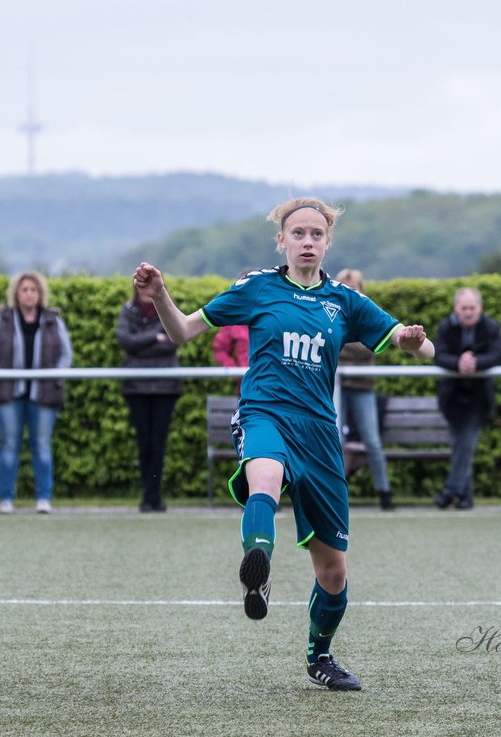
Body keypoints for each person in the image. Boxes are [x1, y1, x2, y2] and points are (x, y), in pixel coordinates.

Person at [132, 197, 435, 692]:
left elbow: (425, 346)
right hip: (264, 412)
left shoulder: (344, 301)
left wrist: (410, 342)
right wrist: (160, 294)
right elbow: (183, 331)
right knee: (265, 481)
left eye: (317, 234)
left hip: (319, 434)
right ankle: (258, 566)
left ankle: (320, 657)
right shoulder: (257, 288)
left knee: (333, 571)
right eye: (299, 234)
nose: (308, 242)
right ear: (282, 241)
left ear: (328, 242)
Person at [0, 271, 73, 514]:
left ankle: (44, 497)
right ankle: (6, 498)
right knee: (9, 445)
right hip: (9, 394)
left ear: (40, 293)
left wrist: (56, 378)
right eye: (24, 289)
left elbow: (66, 355)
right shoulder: (3, 319)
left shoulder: (52, 319)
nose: (29, 294)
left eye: (33, 289)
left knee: (41, 445)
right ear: (16, 294)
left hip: (43, 394)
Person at [432, 288, 501, 510]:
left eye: (472, 308)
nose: (468, 312)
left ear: (479, 308)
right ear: (457, 309)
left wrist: (475, 362)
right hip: (452, 398)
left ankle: (449, 492)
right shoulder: (445, 327)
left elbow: (496, 354)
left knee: (465, 446)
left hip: (479, 398)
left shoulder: (491, 327)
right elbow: (439, 354)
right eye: (464, 308)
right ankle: (465, 497)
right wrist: (458, 363)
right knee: (460, 447)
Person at [117, 285, 182, 512]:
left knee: (158, 443)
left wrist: (141, 344)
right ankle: (147, 495)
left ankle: (155, 496)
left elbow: (173, 341)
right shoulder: (128, 311)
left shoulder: (167, 310)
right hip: (137, 388)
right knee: (144, 443)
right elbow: (125, 341)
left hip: (165, 388)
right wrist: (155, 337)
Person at [335, 269, 394, 511]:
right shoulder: (330, 314)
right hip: (334, 388)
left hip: (362, 387)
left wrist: (339, 345)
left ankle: (385, 493)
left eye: (354, 287)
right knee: (333, 441)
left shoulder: (368, 313)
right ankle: (332, 495)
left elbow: (369, 348)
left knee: (372, 441)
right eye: (345, 287)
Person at [212, 323, 249, 393]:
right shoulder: (235, 322)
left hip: (272, 384)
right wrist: (235, 370)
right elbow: (220, 349)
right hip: (246, 386)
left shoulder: (272, 318)